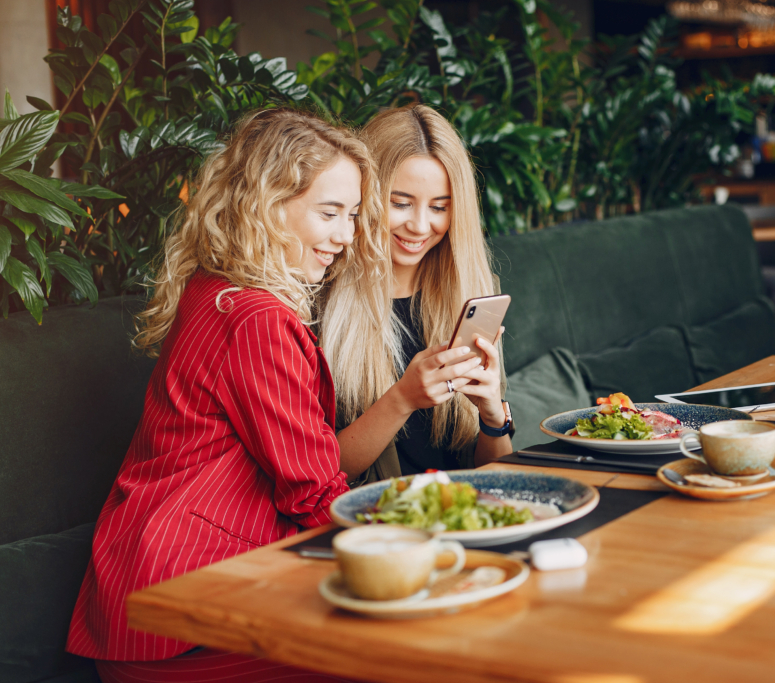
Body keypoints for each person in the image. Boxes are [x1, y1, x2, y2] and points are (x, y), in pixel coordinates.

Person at [66, 108, 385, 682]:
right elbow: (315, 495)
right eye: (330, 213)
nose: (346, 237)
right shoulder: (258, 318)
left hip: (138, 600)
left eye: (354, 215)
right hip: (183, 616)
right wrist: (427, 540)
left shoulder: (213, 288)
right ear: (266, 207)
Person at [319, 104, 513, 485]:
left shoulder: (466, 293)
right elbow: (320, 474)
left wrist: (493, 416)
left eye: (440, 207)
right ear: (365, 198)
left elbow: (497, 477)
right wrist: (403, 398)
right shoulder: (319, 303)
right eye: (400, 203)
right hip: (375, 522)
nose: (421, 226)